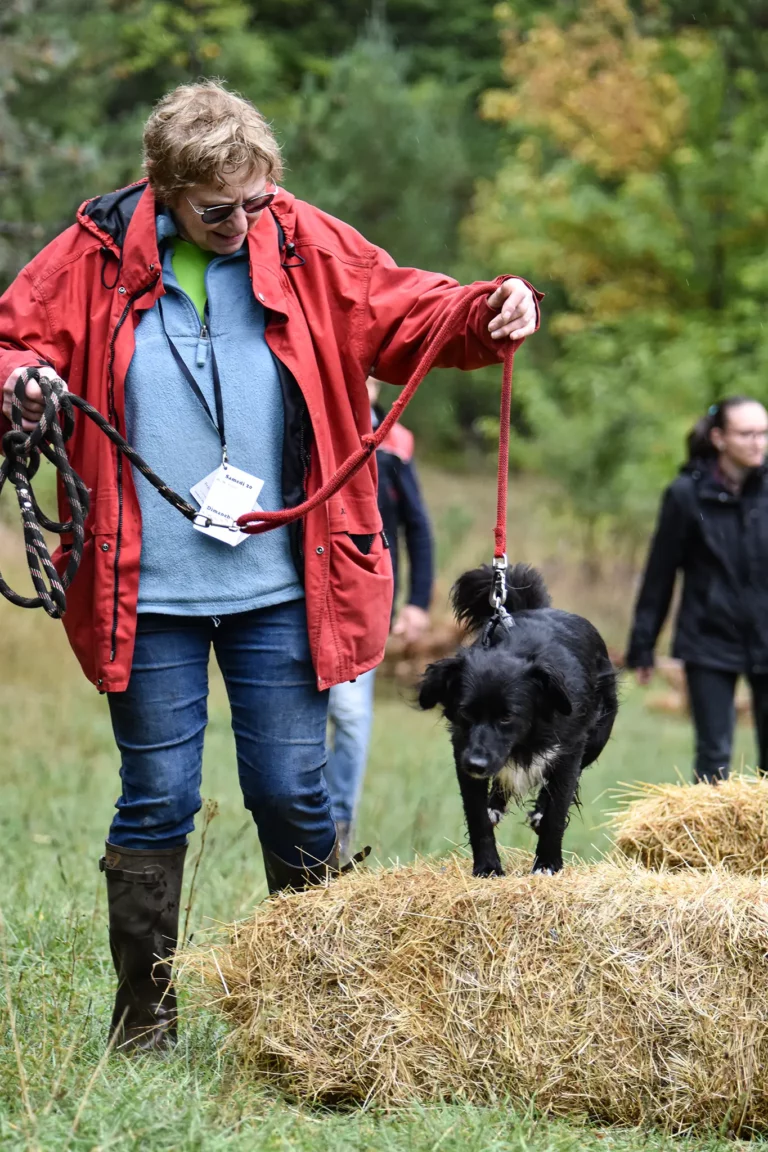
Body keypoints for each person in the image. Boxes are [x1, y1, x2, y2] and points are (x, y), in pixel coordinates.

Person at [0, 81, 541, 1052]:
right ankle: (144, 1022)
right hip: (145, 592)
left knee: (293, 788)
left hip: (285, 587)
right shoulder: (89, 255)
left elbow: (409, 309)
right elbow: (11, 341)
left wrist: (488, 308)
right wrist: (21, 383)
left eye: (259, 201)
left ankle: (312, 1007)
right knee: (159, 797)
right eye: (220, 210)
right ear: (165, 189)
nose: (244, 224)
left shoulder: (302, 241)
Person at [625, 396, 768, 784]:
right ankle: (710, 827)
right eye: (747, 434)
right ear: (720, 438)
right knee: (713, 757)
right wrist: (643, 645)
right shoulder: (686, 494)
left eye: (763, 433)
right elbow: (660, 572)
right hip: (708, 638)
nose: (758, 443)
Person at [325, 375, 434, 859]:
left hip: (365, 599)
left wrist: (417, 601)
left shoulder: (393, 444)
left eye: (368, 379)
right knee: (309, 717)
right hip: (304, 590)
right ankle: (304, 822)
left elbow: (417, 527)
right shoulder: (313, 427)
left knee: (349, 714)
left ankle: (338, 826)